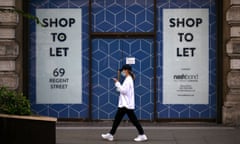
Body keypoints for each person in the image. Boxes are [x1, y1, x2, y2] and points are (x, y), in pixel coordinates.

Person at [101, 64, 148, 142]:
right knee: (118, 120)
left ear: (126, 70)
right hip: (125, 104)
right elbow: (124, 90)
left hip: (126, 104)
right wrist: (119, 87)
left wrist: (117, 83)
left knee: (132, 120)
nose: (122, 72)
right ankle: (111, 134)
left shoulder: (128, 79)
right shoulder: (128, 79)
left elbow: (124, 91)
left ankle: (142, 135)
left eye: (122, 70)